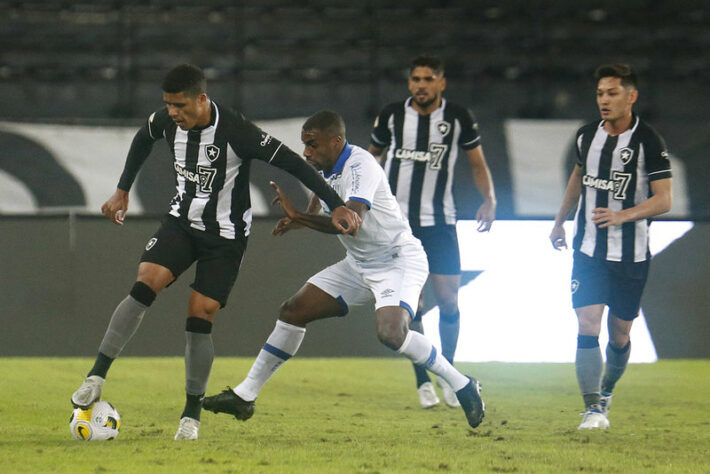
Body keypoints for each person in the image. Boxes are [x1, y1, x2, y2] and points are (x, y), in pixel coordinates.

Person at [70, 64, 361, 440]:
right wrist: (122, 189)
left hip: (225, 235)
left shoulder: (237, 131)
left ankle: (191, 414)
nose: (173, 112)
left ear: (202, 99)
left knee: (200, 315)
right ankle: (96, 375)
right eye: (168, 105)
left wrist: (336, 203)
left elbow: (291, 161)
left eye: (180, 105)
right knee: (145, 283)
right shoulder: (166, 122)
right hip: (180, 223)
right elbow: (143, 138)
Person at [202, 110, 485, 430]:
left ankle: (463, 385)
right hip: (360, 264)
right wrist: (298, 220)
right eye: (304, 145)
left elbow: (349, 222)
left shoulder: (360, 165)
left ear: (336, 142)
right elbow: (317, 207)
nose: (307, 151)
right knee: (293, 310)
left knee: (391, 333)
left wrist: (300, 217)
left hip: (397, 260)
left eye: (313, 144)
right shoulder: (324, 168)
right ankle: (245, 396)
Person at [367, 55, 496, 409]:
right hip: (398, 225)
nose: (420, 85)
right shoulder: (393, 115)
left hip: (440, 221)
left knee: (450, 298)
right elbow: (369, 158)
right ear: (409, 83)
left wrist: (489, 199)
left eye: (428, 79)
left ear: (442, 83)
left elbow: (477, 163)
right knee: (415, 303)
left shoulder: (457, 118)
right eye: (415, 79)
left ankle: (450, 376)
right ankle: (423, 381)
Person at [550, 64, 672, 430]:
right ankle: (592, 409)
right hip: (588, 250)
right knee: (588, 323)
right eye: (600, 93)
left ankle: (606, 390)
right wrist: (560, 220)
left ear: (631, 97)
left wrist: (623, 216)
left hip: (631, 256)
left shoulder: (649, 141)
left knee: (620, 334)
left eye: (612, 93)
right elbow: (577, 176)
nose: (604, 100)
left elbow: (664, 200)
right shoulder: (587, 136)